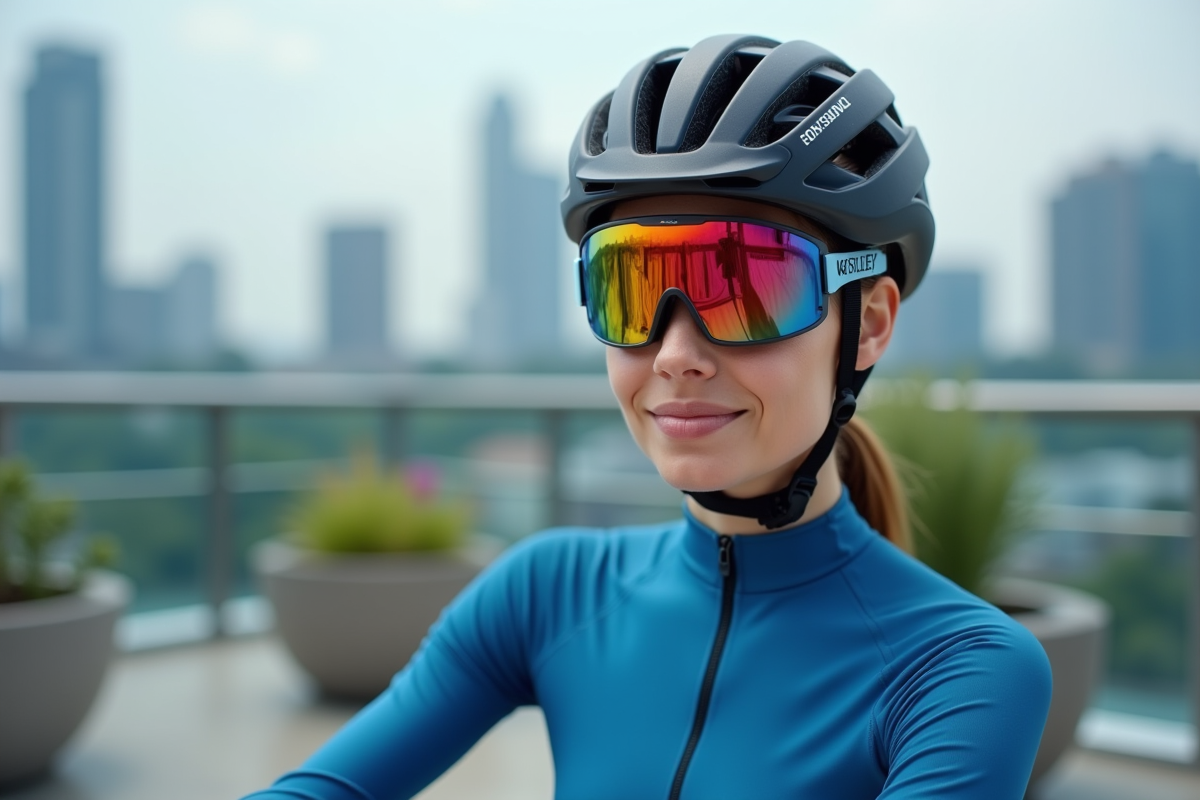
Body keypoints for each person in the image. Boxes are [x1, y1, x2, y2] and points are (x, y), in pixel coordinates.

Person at [242, 34, 1052, 800]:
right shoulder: (547, 589)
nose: (673, 354)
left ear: (869, 322)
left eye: (745, 286)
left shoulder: (960, 670)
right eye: (631, 287)